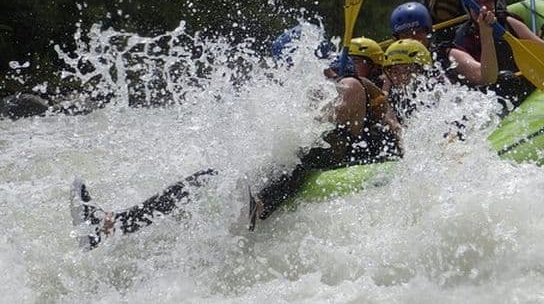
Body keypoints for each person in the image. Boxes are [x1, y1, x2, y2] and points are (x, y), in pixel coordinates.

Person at [71, 46, 401, 250]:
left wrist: (311, 112)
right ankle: (110, 223)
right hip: (305, 164)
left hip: (334, 165)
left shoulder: (355, 85)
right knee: (209, 177)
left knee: (299, 160)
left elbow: (350, 114)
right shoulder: (333, 90)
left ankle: (256, 207)